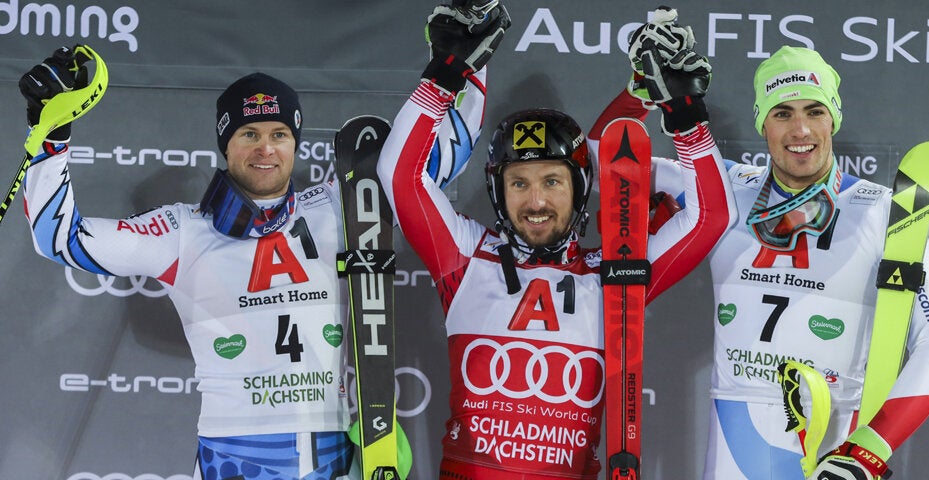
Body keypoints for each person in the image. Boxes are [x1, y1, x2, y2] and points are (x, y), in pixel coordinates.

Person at [18, 48, 424, 480]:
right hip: (235, 456)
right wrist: (50, 137)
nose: (265, 148)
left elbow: (422, 170)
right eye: (249, 133)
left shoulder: (337, 205)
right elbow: (60, 238)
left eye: (280, 133)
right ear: (225, 143)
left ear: (295, 143)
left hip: (332, 453)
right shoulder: (182, 231)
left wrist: (452, 74)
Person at [377, 3, 733, 479]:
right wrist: (443, 75)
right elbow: (399, 176)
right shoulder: (464, 258)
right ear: (498, 193)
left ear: (581, 189)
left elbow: (712, 216)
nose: (536, 200)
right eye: (519, 183)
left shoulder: (615, 276)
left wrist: (685, 115)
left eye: (552, 180)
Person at [630, 18, 929, 480]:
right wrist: (642, 95)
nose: (799, 128)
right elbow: (601, 156)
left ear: (833, 118)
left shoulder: (886, 210)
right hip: (732, 443)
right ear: (762, 122)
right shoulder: (722, 190)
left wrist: (868, 450)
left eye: (814, 111)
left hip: (837, 450)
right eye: (782, 113)